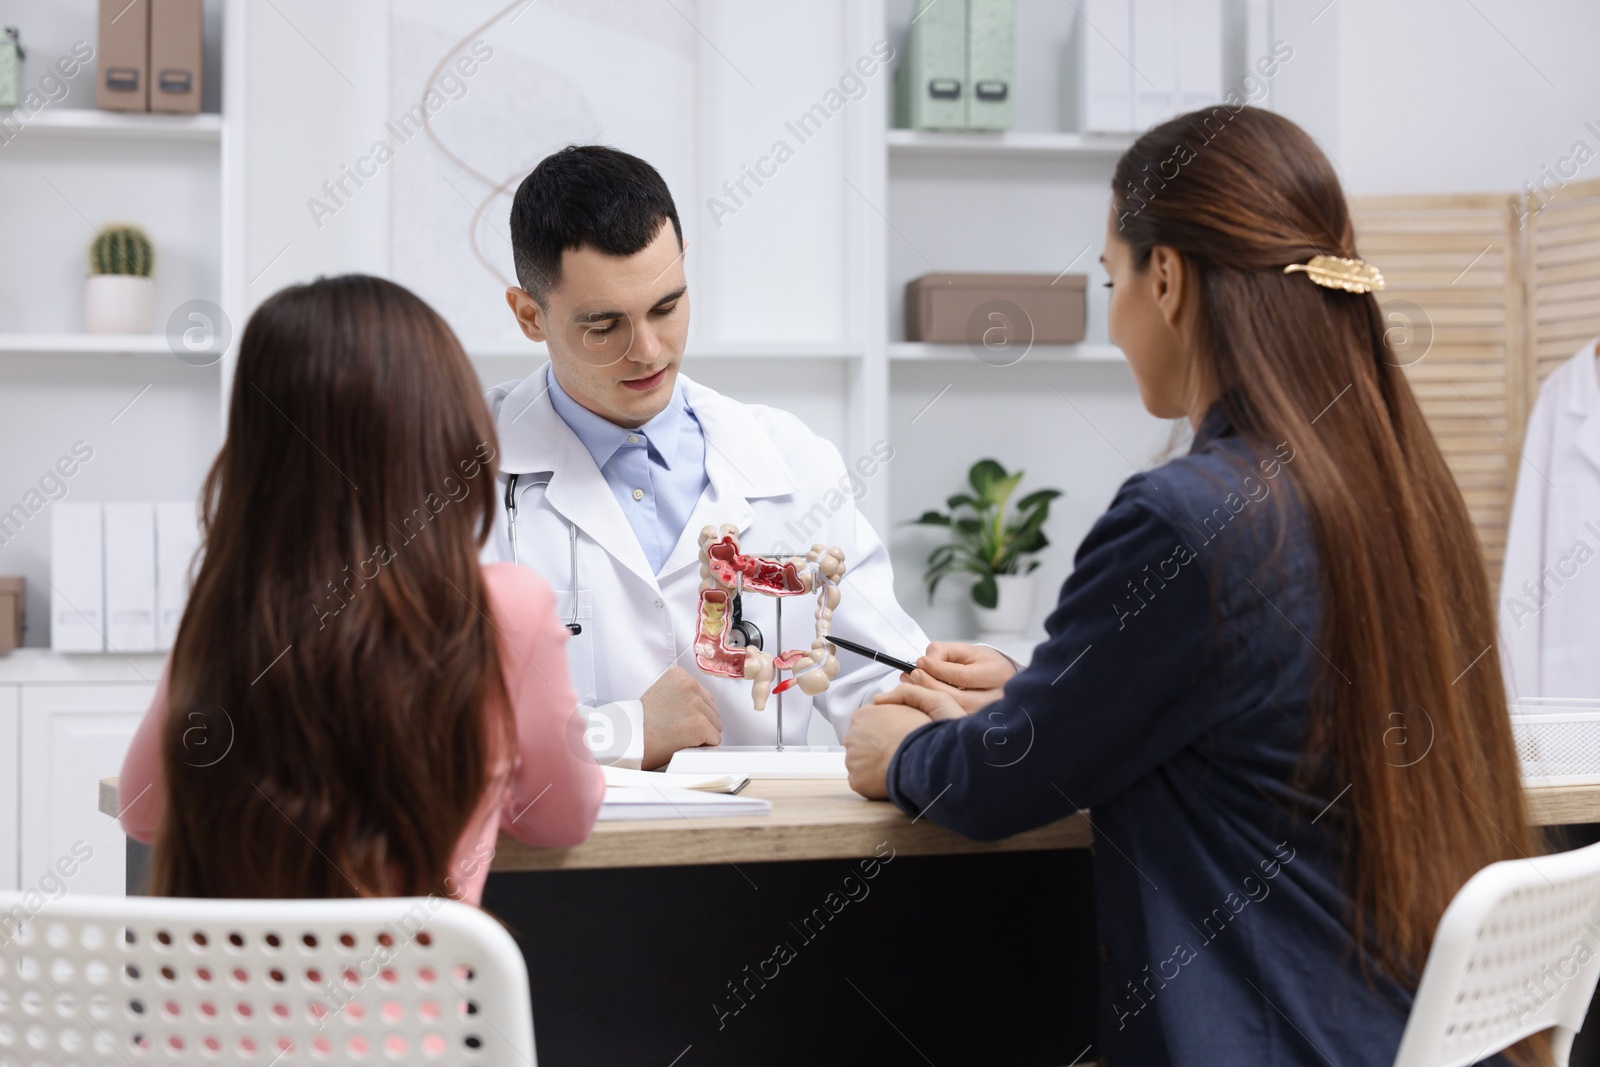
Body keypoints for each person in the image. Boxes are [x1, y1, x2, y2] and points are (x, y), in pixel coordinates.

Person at [845, 107, 1544, 1066]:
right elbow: (1265, 715)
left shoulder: (1189, 517)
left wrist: (904, 753)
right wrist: (1042, 691)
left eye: (1108, 280)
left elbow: (1006, 781)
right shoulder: (1400, 488)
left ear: (1165, 277)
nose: (1115, 316)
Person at [119, 275, 603, 903]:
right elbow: (561, 819)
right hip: (411, 999)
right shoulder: (504, 609)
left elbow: (143, 809)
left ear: (258, 453)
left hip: (209, 1003)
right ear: (442, 436)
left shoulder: (231, 607)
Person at [485, 145, 926, 770]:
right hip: (558, 862)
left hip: (767, 854)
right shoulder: (447, 472)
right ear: (530, 316)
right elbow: (410, 733)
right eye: (604, 325)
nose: (648, 351)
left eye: (667, 307)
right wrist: (624, 732)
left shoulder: (794, 463)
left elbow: (881, 678)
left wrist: (942, 705)